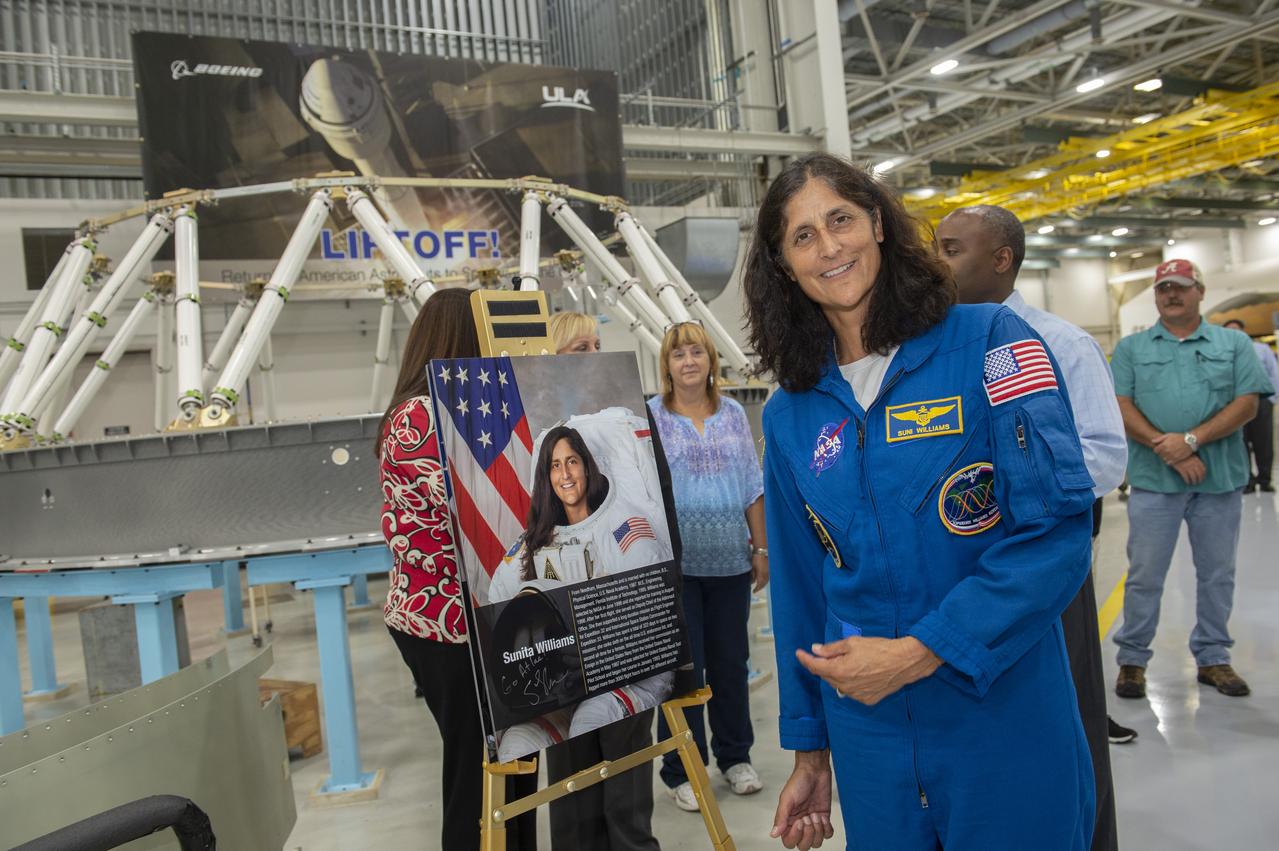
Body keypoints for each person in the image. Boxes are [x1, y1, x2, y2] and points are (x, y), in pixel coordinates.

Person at [745, 153, 1097, 851]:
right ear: (784, 265)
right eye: (802, 236)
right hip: (869, 740)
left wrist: (919, 651)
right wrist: (810, 752)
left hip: (998, 711)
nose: (829, 246)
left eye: (839, 219)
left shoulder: (993, 342)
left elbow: (1054, 534)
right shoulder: (790, 411)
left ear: (877, 224)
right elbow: (799, 588)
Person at [936, 203, 1128, 851]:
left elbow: (1102, 454)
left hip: (1041, 563)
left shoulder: (1058, 342)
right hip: (961, 570)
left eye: (951, 248)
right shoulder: (935, 351)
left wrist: (1011, 504)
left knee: (1069, 716)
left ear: (999, 259)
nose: (936, 261)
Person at [377, 287, 537, 851]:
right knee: (477, 774)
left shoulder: (452, 407)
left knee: (513, 760)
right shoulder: (421, 415)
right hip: (445, 622)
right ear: (465, 337)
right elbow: (468, 513)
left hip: (476, 615)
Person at [536, 311, 671, 851]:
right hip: (565, 619)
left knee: (628, 761)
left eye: (597, 343)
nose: (592, 353)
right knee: (571, 766)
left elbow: (658, 507)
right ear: (552, 360)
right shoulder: (546, 440)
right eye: (577, 347)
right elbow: (536, 525)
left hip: (628, 610)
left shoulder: (629, 420)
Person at [1110, 260, 1274, 700]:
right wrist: (1170, 450)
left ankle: (1213, 657)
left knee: (1217, 573)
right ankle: (1132, 660)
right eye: (1163, 288)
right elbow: (1121, 404)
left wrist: (1190, 440)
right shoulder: (1131, 348)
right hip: (1154, 481)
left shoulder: (1234, 343)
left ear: (1200, 291)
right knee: (1145, 574)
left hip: (1218, 481)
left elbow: (1248, 404)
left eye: (1181, 287)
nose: (1171, 294)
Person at [648, 320, 769, 812]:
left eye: (697, 352)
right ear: (667, 365)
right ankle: (682, 768)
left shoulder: (734, 414)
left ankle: (735, 757)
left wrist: (760, 550)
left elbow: (752, 486)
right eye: (679, 355)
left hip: (729, 564)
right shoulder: (652, 416)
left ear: (710, 361)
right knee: (683, 670)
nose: (689, 362)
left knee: (728, 665)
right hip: (674, 568)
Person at [1221, 318, 1277, 493]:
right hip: (1235, 403)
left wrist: (1272, 399)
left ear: (1244, 331)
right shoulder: (1222, 352)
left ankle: (1265, 479)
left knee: (1264, 442)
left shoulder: (1262, 349)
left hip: (1261, 401)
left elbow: (1274, 372)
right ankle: (1248, 481)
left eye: (1237, 330)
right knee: (1240, 442)